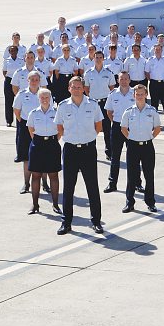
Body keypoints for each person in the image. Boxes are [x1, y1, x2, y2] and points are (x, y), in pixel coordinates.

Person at [54, 76, 104, 235]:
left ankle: (96, 221)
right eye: (73, 87)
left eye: (79, 87)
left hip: (88, 149)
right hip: (70, 150)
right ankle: (66, 222)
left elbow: (98, 126)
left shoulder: (93, 105)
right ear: (69, 88)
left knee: (92, 186)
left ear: (84, 88)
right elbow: (60, 127)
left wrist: (86, 138)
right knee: (68, 188)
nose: (76, 89)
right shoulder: (63, 106)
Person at [120, 84, 161, 213]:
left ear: (146, 95)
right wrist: (131, 138)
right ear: (134, 95)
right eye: (137, 94)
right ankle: (129, 202)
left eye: (142, 94)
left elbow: (157, 128)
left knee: (149, 176)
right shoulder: (128, 112)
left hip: (147, 146)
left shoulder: (152, 111)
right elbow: (123, 128)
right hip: (132, 146)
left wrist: (149, 137)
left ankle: (150, 202)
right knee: (131, 176)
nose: (139, 96)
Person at [26, 88, 62, 215]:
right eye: (42, 97)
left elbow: (60, 129)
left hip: (52, 144)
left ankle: (56, 204)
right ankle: (35, 205)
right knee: (36, 175)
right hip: (37, 145)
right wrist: (39, 140)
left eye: (47, 97)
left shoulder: (57, 112)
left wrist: (52, 140)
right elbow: (31, 129)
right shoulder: (33, 113)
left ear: (50, 98)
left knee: (53, 175)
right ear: (38, 99)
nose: (45, 100)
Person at [103, 72, 135, 193]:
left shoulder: (135, 93)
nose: (124, 81)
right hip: (117, 127)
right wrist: (117, 123)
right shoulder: (112, 94)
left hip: (131, 127)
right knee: (115, 156)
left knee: (133, 157)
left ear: (129, 80)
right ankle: (112, 183)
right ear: (118, 80)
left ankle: (136, 182)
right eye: (121, 79)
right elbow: (109, 111)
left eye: (126, 79)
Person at [12, 71, 41, 194]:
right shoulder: (22, 94)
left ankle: (44, 183)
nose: (34, 81)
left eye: (36, 79)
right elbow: (17, 111)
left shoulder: (44, 94)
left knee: (42, 157)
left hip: (41, 128)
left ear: (39, 81)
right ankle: (26, 183)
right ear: (27, 81)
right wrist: (24, 123)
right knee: (26, 157)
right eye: (32, 79)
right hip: (25, 128)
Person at [83, 51, 116, 160]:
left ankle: (109, 152)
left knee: (107, 128)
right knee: (91, 128)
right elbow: (86, 89)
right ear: (93, 58)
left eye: (100, 57)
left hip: (105, 103)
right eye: (96, 57)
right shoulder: (88, 73)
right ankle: (91, 151)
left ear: (103, 59)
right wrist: (92, 99)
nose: (98, 59)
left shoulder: (108, 72)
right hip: (93, 103)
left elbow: (112, 88)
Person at [145, 44, 164, 126]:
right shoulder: (150, 60)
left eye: (159, 49)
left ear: (162, 50)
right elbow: (146, 72)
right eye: (156, 49)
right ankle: (154, 121)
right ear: (154, 51)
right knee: (154, 104)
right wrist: (152, 80)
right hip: (154, 84)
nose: (157, 51)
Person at [3, 45, 24, 127]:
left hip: (19, 82)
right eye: (11, 51)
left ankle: (20, 119)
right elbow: (4, 71)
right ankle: (9, 120)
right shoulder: (7, 61)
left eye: (14, 50)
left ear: (17, 51)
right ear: (9, 52)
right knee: (9, 101)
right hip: (9, 81)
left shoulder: (21, 61)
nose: (13, 52)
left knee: (20, 101)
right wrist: (10, 79)